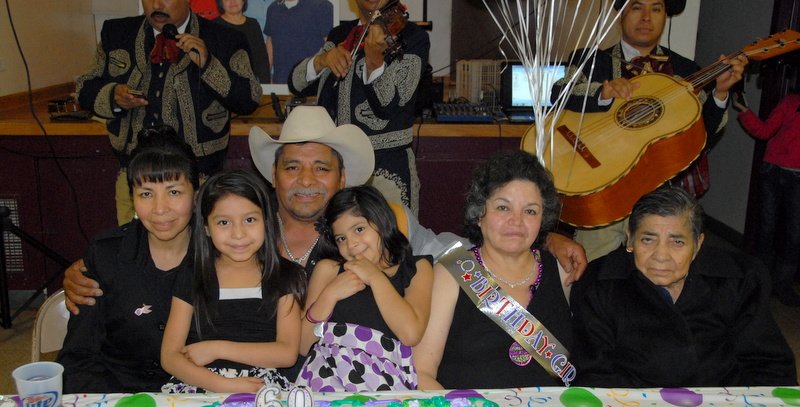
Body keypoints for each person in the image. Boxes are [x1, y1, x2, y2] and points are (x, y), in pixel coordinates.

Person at [65, 106, 589, 317]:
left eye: (321, 168)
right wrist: (90, 269)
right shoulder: (242, 225)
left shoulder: (382, 219)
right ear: (274, 175)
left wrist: (539, 238)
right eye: (292, 167)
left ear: (342, 179)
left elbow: (452, 251)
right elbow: (171, 241)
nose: (306, 180)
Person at [551, 0, 746, 261]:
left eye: (655, 9)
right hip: (602, 191)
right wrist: (603, 92)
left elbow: (702, 135)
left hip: (659, 195)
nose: (646, 17)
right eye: (636, 7)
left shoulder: (686, 70)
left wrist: (720, 94)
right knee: (593, 268)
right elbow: (560, 93)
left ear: (665, 16)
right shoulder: (592, 60)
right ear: (621, 14)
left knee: (656, 270)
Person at [569, 186, 797, 387]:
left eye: (677, 242)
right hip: (633, 406)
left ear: (697, 245)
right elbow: (593, 374)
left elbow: (768, 365)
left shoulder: (737, 281)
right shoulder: (600, 285)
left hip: (720, 403)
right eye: (648, 239)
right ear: (630, 239)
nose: (661, 256)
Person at [76, 0, 262, 225]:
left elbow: (248, 99)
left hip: (200, 179)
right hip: (134, 179)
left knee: (198, 244)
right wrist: (113, 96)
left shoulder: (226, 38)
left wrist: (208, 65)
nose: (157, 4)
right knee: (134, 243)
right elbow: (84, 89)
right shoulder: (116, 33)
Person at [414, 151, 576, 390]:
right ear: (479, 214)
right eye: (503, 207)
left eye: (530, 211)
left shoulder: (564, 271)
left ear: (543, 219)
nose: (516, 221)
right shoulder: (450, 274)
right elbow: (422, 373)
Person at [57, 127, 199, 393]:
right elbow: (78, 356)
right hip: (116, 398)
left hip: (196, 398)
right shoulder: (106, 255)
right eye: (146, 193)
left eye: (174, 192)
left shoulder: (220, 255)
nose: (160, 208)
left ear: (196, 195)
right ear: (132, 198)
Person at [160, 171, 306, 393]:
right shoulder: (193, 274)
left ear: (266, 221)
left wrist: (217, 349)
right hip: (199, 385)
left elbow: (286, 353)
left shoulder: (285, 275)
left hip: (260, 388)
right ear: (206, 227)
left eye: (249, 220)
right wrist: (223, 385)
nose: (238, 234)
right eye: (224, 222)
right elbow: (170, 356)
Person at [288, 0, 430, 215]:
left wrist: (375, 63)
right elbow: (296, 84)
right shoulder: (341, 34)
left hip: (385, 167)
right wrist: (322, 60)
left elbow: (390, 106)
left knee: (390, 232)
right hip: (334, 166)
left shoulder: (413, 37)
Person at [296, 185, 433, 391]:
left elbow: (410, 333)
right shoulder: (329, 270)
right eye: (341, 238)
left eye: (359, 229)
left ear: (382, 221)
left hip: (387, 383)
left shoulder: (416, 268)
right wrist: (329, 295)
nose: (351, 244)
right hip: (327, 380)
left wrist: (375, 277)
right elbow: (302, 345)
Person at [734, 91, 800, 307]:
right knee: (766, 229)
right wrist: (744, 110)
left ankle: (783, 285)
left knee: (795, 234)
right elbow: (764, 131)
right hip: (773, 172)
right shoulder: (791, 101)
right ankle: (758, 282)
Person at [265, 0, 332, 85]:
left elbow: (331, 48)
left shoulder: (322, 6)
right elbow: (270, 45)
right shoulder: (273, 9)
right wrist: (266, 83)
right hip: (280, 85)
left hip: (311, 87)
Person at [215, 0, 271, 83]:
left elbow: (262, 58)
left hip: (251, 84)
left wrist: (265, 84)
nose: (232, 2)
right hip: (225, 85)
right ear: (221, 3)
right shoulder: (214, 26)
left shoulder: (253, 24)